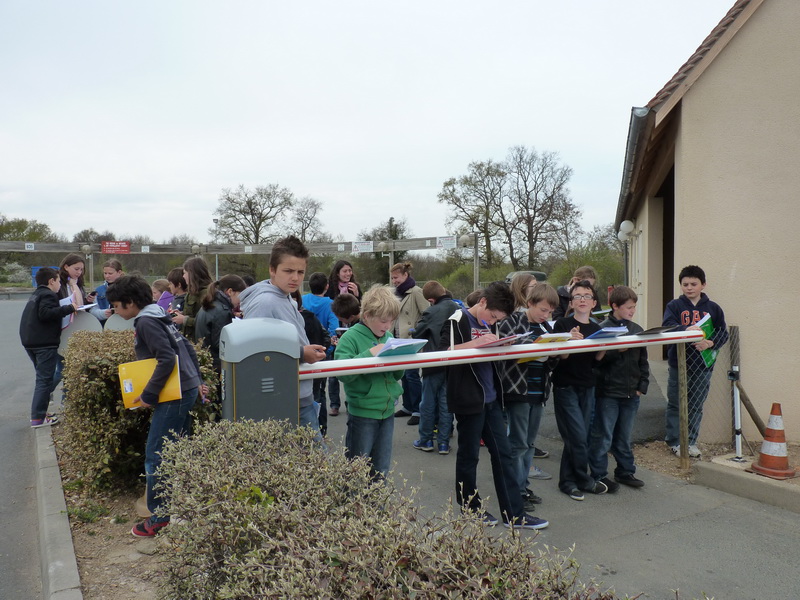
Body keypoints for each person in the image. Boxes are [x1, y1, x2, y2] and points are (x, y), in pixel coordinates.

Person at [440, 282, 548, 530]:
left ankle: (514, 514)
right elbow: (440, 352)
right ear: (483, 302)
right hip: (468, 399)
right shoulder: (457, 319)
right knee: (469, 456)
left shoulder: (493, 322)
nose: (492, 321)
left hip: (491, 398)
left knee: (504, 454)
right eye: (492, 316)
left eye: (498, 319)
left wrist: (503, 346)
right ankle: (471, 509)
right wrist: (475, 345)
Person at [106, 275, 206, 537]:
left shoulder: (147, 321)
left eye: (116, 306)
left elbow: (167, 359)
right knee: (176, 448)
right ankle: (183, 503)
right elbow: (186, 347)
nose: (115, 311)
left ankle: (160, 516)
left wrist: (149, 395)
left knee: (157, 453)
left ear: (129, 302)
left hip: (173, 394)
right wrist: (197, 380)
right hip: (185, 389)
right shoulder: (159, 314)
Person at [239, 235, 326, 437]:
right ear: (272, 269)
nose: (295, 278)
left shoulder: (284, 297)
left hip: (295, 395)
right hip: (283, 400)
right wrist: (302, 353)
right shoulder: (266, 303)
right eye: (288, 271)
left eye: (300, 272)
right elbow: (252, 352)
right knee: (314, 457)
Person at [496, 283, 560, 507]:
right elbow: (507, 346)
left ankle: (522, 486)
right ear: (530, 303)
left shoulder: (546, 328)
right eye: (543, 310)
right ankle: (515, 491)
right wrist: (536, 345)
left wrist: (557, 351)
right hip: (517, 391)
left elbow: (550, 364)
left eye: (550, 312)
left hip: (538, 391)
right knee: (518, 444)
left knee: (530, 443)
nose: (546, 315)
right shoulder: (512, 321)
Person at [334, 285, 403, 478]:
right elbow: (341, 373)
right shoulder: (350, 337)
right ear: (367, 316)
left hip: (387, 411)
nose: (388, 326)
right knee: (356, 470)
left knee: (381, 469)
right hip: (362, 413)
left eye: (391, 321)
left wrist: (401, 359)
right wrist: (370, 354)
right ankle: (352, 499)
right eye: (383, 320)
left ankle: (378, 500)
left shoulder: (388, 337)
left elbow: (397, 376)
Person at [662, 265, 728, 458]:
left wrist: (710, 343)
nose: (689, 288)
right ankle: (675, 441)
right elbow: (667, 327)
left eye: (693, 284)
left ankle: (690, 442)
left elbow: (722, 333)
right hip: (678, 363)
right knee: (676, 403)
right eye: (685, 284)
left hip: (703, 365)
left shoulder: (713, 308)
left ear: (703, 285)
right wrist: (684, 329)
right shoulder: (674, 306)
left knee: (696, 404)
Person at [589, 285, 649, 489]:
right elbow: (595, 363)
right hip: (608, 392)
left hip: (632, 392)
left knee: (624, 436)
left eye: (634, 307)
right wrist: (616, 350)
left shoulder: (637, 330)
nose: (632, 311)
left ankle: (625, 471)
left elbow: (643, 361)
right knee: (603, 435)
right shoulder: (602, 329)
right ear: (615, 306)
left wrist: (642, 385)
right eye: (628, 307)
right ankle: (598, 474)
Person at [552, 280, 607, 501]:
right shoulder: (562, 324)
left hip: (587, 387)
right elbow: (560, 358)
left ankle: (568, 482)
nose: (582, 299)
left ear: (594, 303)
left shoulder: (597, 328)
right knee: (576, 436)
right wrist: (569, 340)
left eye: (587, 296)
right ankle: (582, 480)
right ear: (571, 302)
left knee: (580, 437)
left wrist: (604, 347)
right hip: (565, 386)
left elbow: (596, 362)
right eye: (577, 296)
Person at [19, 267, 78, 428]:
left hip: (30, 341)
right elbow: (45, 313)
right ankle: (38, 418)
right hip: (44, 343)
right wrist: (69, 308)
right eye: (58, 281)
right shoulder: (48, 294)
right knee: (44, 380)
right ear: (51, 281)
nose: (59, 284)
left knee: (42, 379)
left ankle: (41, 413)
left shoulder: (36, 294)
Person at [411, 280, 458, 455]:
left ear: (430, 300)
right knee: (446, 403)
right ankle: (444, 443)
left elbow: (418, 333)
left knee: (428, 403)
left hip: (434, 360)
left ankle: (426, 439)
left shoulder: (431, 311)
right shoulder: (457, 308)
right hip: (452, 362)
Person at [389, 262, 429, 426]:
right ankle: (408, 406)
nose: (394, 281)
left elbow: (427, 314)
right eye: (392, 278)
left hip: (411, 340)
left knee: (412, 375)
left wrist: (416, 330)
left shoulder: (416, 292)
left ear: (405, 275)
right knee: (403, 374)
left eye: (396, 277)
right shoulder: (396, 293)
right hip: (397, 338)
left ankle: (418, 410)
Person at [326, 261, 362, 417]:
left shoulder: (356, 287)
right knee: (334, 372)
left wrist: (357, 295)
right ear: (337, 273)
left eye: (350, 271)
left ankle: (350, 402)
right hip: (336, 331)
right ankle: (334, 404)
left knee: (351, 369)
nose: (348, 274)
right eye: (345, 271)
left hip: (352, 331)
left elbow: (360, 310)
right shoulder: (331, 289)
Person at [302, 272, 339, 418]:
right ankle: (321, 425)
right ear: (327, 287)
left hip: (304, 348)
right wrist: (328, 350)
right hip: (321, 349)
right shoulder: (330, 304)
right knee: (320, 390)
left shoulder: (303, 300)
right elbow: (333, 329)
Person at [195, 274, 247, 374]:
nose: (241, 300)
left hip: (206, 361)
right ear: (230, 292)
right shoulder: (222, 312)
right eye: (241, 295)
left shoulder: (210, 305)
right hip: (216, 365)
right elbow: (221, 343)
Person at [171, 257, 212, 341]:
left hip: (201, 341)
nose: (183, 276)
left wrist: (184, 320)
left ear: (192, 274)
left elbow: (209, 321)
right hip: (190, 339)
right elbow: (194, 314)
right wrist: (181, 313)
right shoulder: (191, 292)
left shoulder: (207, 294)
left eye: (185, 273)